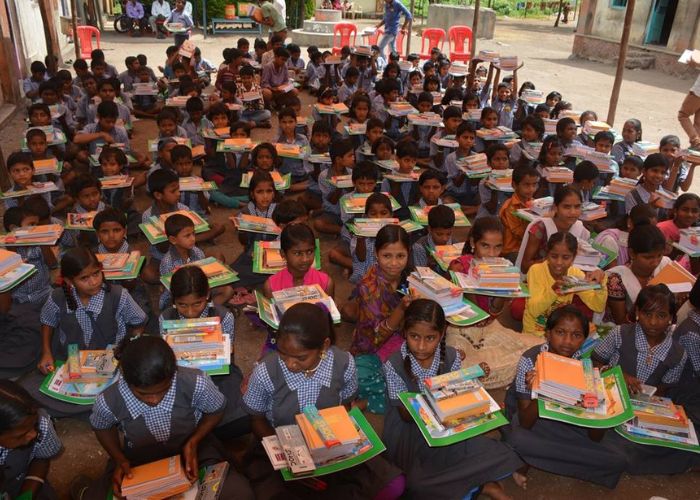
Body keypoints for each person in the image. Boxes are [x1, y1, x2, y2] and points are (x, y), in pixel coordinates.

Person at [242, 302, 405, 498]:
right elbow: (257, 419)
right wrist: (289, 456)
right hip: (281, 442)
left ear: (324, 346)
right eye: (283, 354)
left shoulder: (344, 363)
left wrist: (337, 444)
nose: (290, 364)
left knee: (392, 484)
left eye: (301, 358)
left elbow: (345, 405)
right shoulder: (266, 371)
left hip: (329, 441)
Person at [79, 335, 253, 499]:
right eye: (143, 394)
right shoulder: (109, 400)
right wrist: (119, 459)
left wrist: (194, 441)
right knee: (101, 495)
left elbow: (216, 410)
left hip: (194, 449)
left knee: (238, 492)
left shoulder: (196, 382)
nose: (154, 400)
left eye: (163, 390)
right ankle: (83, 490)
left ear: (173, 373)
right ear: (125, 379)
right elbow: (102, 427)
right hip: (139, 459)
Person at [383, 298, 524, 499]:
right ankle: (482, 486)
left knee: (499, 453)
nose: (421, 346)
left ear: (442, 334)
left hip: (447, 421)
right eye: (414, 336)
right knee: (415, 483)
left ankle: (475, 484)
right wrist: (435, 395)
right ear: (404, 332)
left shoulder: (451, 356)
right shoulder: (393, 364)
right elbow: (405, 415)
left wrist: (469, 382)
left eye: (430, 338)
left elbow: (456, 392)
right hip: (411, 431)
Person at [503, 306, 628, 489]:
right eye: (560, 332)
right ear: (548, 333)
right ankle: (528, 456)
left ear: (584, 339)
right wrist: (543, 390)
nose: (567, 341)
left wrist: (602, 405)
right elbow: (525, 422)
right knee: (519, 439)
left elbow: (594, 436)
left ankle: (528, 458)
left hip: (565, 424)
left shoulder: (584, 367)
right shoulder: (530, 361)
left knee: (617, 460)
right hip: (534, 422)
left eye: (576, 335)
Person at [523, 231, 607, 336]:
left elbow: (598, 306)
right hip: (534, 333)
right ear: (547, 254)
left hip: (560, 333)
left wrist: (600, 284)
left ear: (574, 257)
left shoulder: (575, 274)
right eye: (554, 256)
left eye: (566, 257)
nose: (559, 262)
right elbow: (533, 310)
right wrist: (554, 291)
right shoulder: (536, 271)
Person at [0, 380, 62, 499]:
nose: (33, 434)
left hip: (22, 480)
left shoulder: (41, 423)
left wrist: (27, 495)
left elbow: (41, 458)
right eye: (20, 436)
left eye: (34, 425)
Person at [677, 56, 700, 148]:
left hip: (698, 92)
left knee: (683, 115)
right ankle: (696, 147)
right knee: (698, 122)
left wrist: (696, 63)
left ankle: (696, 142)